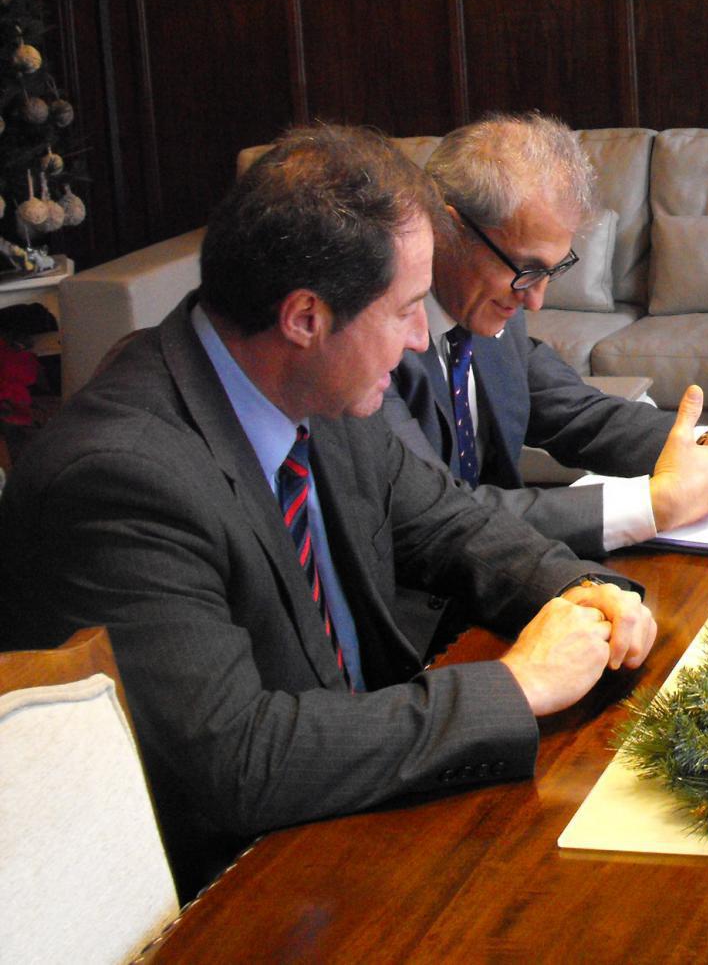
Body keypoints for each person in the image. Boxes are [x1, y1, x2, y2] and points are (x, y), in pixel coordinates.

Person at [0, 126, 656, 898]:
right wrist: (515, 686)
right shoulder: (121, 480)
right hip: (230, 890)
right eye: (405, 310)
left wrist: (580, 590)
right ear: (306, 318)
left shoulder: (316, 386)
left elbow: (450, 524)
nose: (420, 338)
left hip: (349, 810)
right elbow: (238, 762)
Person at [384, 113, 708, 650]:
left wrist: (699, 443)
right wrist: (653, 504)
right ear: (447, 227)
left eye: (551, 272)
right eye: (526, 269)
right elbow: (440, 519)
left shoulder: (489, 308)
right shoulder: (375, 345)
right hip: (417, 631)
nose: (536, 300)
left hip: (514, 586)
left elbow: (577, 412)